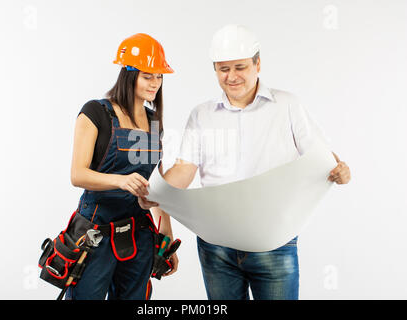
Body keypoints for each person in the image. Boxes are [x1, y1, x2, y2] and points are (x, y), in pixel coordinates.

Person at [139, 24, 351, 300]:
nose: (232, 76)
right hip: (216, 247)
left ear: (257, 64)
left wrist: (340, 171)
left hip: (273, 244)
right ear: (214, 69)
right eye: (223, 69)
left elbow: (321, 157)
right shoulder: (201, 115)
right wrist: (157, 193)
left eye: (240, 67)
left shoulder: (287, 105)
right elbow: (184, 169)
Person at [67, 33, 178, 300]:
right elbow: (77, 174)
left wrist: (167, 232)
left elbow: (157, 183)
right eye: (147, 75)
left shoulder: (154, 122)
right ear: (128, 74)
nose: (155, 83)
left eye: (159, 76)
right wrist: (120, 180)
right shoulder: (95, 113)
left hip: (139, 232)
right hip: (96, 232)